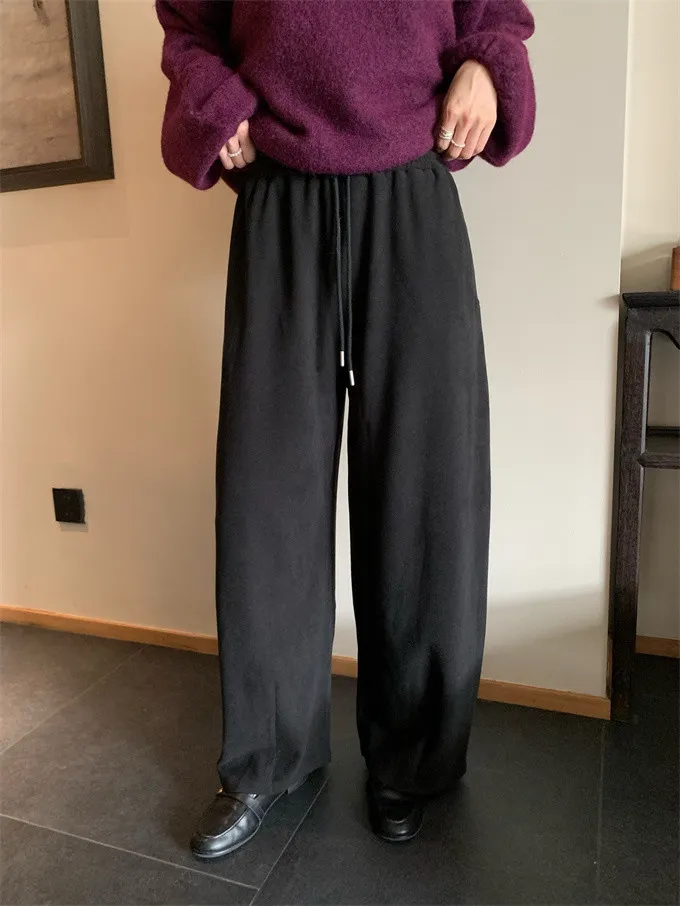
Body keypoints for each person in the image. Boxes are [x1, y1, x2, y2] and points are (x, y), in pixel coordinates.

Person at [156, 0, 535, 858]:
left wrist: (485, 63)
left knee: (425, 487)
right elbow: (187, 25)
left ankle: (414, 757)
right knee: (266, 496)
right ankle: (267, 754)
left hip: (411, 190)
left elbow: (497, 13)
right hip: (280, 195)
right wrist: (215, 100)